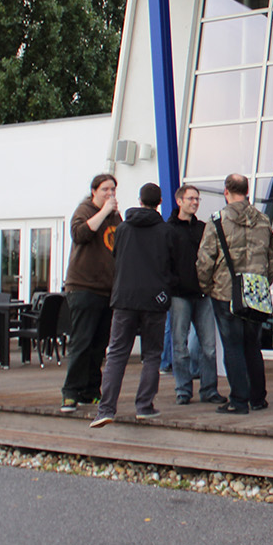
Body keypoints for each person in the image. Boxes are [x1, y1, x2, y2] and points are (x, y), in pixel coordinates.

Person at [90, 183, 175, 427]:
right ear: (159, 202)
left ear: (139, 200)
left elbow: (116, 257)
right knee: (152, 354)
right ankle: (144, 406)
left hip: (125, 298)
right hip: (154, 300)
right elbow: (171, 265)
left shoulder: (123, 229)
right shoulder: (165, 231)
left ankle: (106, 408)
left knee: (117, 353)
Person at [197, 173, 273, 415]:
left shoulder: (217, 220)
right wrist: (263, 284)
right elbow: (271, 259)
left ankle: (239, 400)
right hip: (255, 291)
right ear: (247, 191)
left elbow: (205, 259)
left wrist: (206, 287)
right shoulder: (263, 220)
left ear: (226, 192)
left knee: (232, 346)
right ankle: (258, 398)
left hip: (225, 291)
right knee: (252, 345)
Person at [61, 173, 120, 414]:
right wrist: (104, 211)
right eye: (105, 189)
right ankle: (70, 393)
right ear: (94, 191)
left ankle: (91, 390)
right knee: (82, 342)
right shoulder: (85, 210)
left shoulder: (115, 216)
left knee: (99, 344)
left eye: (113, 189)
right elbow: (80, 234)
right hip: (84, 287)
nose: (110, 194)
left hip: (107, 289)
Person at [168, 184, 224, 406]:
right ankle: (183, 389)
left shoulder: (203, 228)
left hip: (203, 293)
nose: (195, 202)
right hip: (179, 295)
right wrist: (172, 283)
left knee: (208, 346)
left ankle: (209, 389)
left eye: (197, 199)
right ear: (179, 201)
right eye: (191, 198)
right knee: (180, 346)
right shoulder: (169, 230)